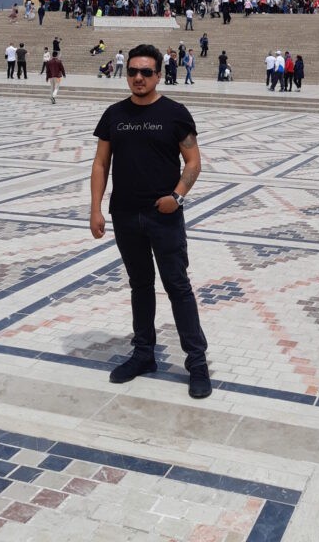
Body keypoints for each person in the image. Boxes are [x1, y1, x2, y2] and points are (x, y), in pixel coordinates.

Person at [90, 44, 211, 399]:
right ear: (125, 73)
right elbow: (100, 164)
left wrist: (177, 197)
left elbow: (193, 162)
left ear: (159, 74)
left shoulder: (175, 113)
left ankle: (197, 362)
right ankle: (143, 354)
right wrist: (96, 208)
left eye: (145, 72)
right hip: (125, 214)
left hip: (163, 216)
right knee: (139, 285)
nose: (138, 78)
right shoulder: (114, 114)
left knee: (178, 286)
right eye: (132, 72)